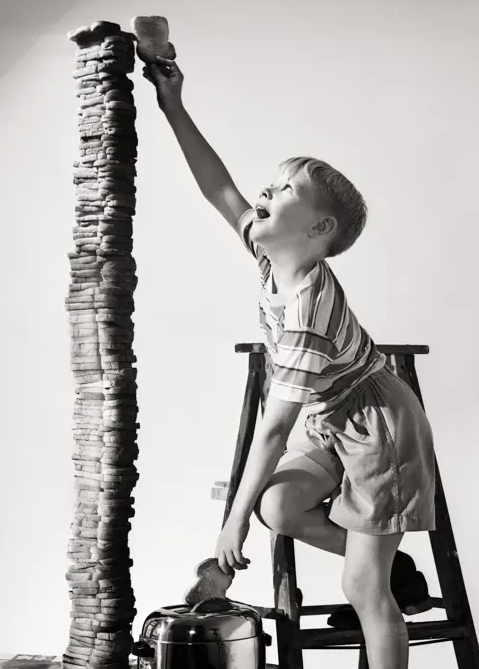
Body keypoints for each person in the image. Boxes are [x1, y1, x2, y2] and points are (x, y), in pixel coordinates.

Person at [141, 53, 436, 669]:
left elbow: (274, 430)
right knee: (281, 506)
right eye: (270, 185)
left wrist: (231, 525)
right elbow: (218, 187)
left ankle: (378, 572)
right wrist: (173, 105)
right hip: (336, 420)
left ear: (318, 228)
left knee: (361, 589)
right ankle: (390, 558)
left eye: (285, 191)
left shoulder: (308, 312)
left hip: (381, 427)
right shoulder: (274, 254)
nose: (264, 194)